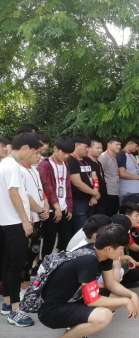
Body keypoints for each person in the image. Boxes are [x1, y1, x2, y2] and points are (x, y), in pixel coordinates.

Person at [36, 224, 139, 338]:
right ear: (109, 248)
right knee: (104, 316)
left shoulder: (103, 254)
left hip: (71, 300)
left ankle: (78, 334)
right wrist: (126, 301)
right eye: (121, 248)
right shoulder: (88, 260)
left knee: (120, 294)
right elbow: (92, 300)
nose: (122, 252)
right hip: (51, 310)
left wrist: (132, 295)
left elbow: (110, 284)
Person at [0, 133, 41, 326]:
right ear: (25, 148)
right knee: (16, 265)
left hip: (7, 221)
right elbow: (14, 194)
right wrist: (25, 220)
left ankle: (8, 303)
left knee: (8, 263)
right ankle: (15, 310)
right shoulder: (13, 166)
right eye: (33, 151)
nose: (34, 155)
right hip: (15, 222)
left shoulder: (4, 164)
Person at [37, 136, 74, 257]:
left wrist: (69, 207)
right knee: (49, 240)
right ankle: (44, 264)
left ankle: (61, 263)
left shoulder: (65, 163)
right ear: (55, 149)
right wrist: (56, 207)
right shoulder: (45, 164)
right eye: (64, 152)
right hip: (51, 209)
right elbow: (47, 188)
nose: (66, 156)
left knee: (66, 239)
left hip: (64, 208)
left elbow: (67, 185)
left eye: (69, 153)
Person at [19, 144, 50, 288]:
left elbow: (40, 190)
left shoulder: (34, 170)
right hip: (29, 218)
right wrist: (39, 210)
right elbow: (24, 195)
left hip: (39, 216)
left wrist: (46, 206)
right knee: (24, 256)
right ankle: (21, 288)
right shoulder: (19, 170)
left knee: (33, 253)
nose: (39, 156)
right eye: (36, 153)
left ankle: (26, 287)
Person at [67, 134, 100, 234]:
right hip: (78, 201)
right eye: (86, 147)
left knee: (90, 229)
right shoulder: (70, 160)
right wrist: (95, 193)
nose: (88, 149)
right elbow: (77, 183)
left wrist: (94, 196)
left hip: (91, 200)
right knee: (82, 230)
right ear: (76, 145)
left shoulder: (88, 160)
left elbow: (95, 178)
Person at [116, 136, 139, 202]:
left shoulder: (132, 156)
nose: (137, 149)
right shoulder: (121, 155)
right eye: (136, 146)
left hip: (136, 191)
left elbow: (134, 172)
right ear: (130, 143)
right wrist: (138, 177)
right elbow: (122, 173)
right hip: (127, 192)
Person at [98, 136, 121, 216]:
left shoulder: (114, 157)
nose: (119, 147)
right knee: (108, 214)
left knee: (114, 214)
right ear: (109, 144)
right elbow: (99, 174)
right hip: (107, 191)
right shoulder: (103, 157)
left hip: (115, 191)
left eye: (120, 145)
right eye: (117, 144)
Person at [85, 138, 107, 216]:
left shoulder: (98, 162)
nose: (100, 150)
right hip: (93, 198)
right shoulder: (86, 162)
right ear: (89, 148)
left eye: (101, 148)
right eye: (97, 148)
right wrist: (94, 196)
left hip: (102, 197)